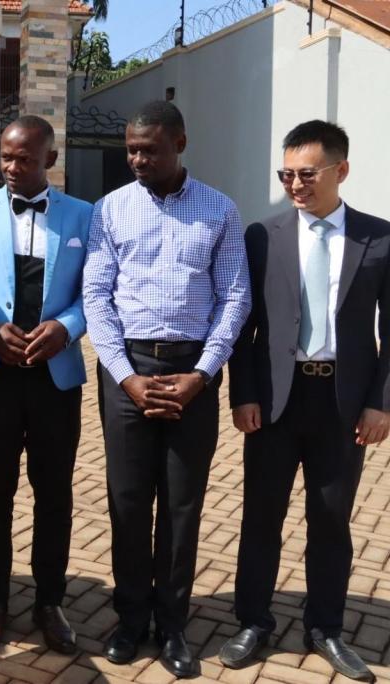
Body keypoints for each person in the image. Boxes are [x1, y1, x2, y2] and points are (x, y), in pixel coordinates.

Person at [83, 100, 250, 678]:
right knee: (128, 502)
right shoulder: (109, 211)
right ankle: (131, 618)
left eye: (149, 149)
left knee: (182, 506)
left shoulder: (220, 210)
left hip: (192, 376)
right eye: (131, 149)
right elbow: (97, 298)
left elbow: (234, 298)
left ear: (181, 141)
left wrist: (202, 375)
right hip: (127, 369)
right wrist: (125, 377)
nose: (136, 159)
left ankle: (173, 625)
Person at [219, 121, 389, 682]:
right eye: (286, 174)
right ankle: (253, 621)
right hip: (274, 402)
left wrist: (380, 402)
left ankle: (327, 628)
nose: (295, 184)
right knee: (261, 517)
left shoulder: (379, 239)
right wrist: (243, 394)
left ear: (341, 170)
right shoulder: (261, 236)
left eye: (306, 173)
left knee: (331, 521)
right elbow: (242, 326)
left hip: (343, 404)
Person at [0, 115, 91, 653]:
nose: (12, 167)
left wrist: (66, 327)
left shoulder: (82, 216)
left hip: (55, 380)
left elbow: (94, 291)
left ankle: (49, 603)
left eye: (25, 158)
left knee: (54, 495)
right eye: (6, 157)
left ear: (49, 159)